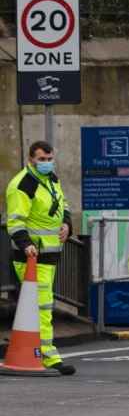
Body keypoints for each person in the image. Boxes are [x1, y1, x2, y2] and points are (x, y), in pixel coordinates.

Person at [6, 141, 75, 375]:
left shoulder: (52, 179)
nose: (47, 163)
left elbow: (62, 204)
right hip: (32, 256)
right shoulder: (22, 185)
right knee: (43, 306)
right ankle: (48, 356)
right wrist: (26, 246)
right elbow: (15, 221)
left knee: (42, 304)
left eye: (49, 159)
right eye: (42, 160)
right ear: (30, 160)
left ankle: (39, 352)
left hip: (48, 254)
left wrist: (68, 224)